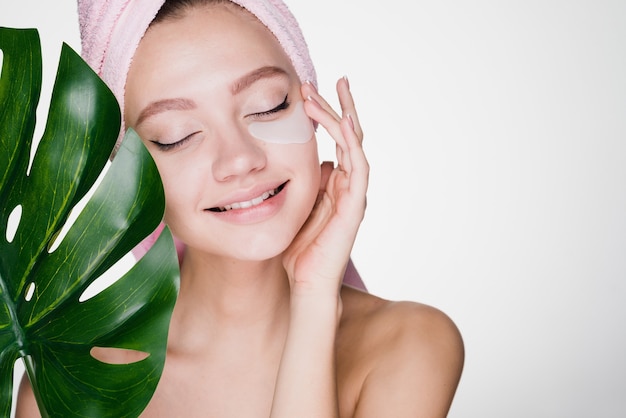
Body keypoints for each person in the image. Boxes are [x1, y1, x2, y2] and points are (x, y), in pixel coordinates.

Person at [16, 0, 464, 416]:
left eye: (269, 105)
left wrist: (312, 299)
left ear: (312, 107)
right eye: (176, 135)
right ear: (129, 172)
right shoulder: (72, 386)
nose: (240, 159)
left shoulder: (411, 343)